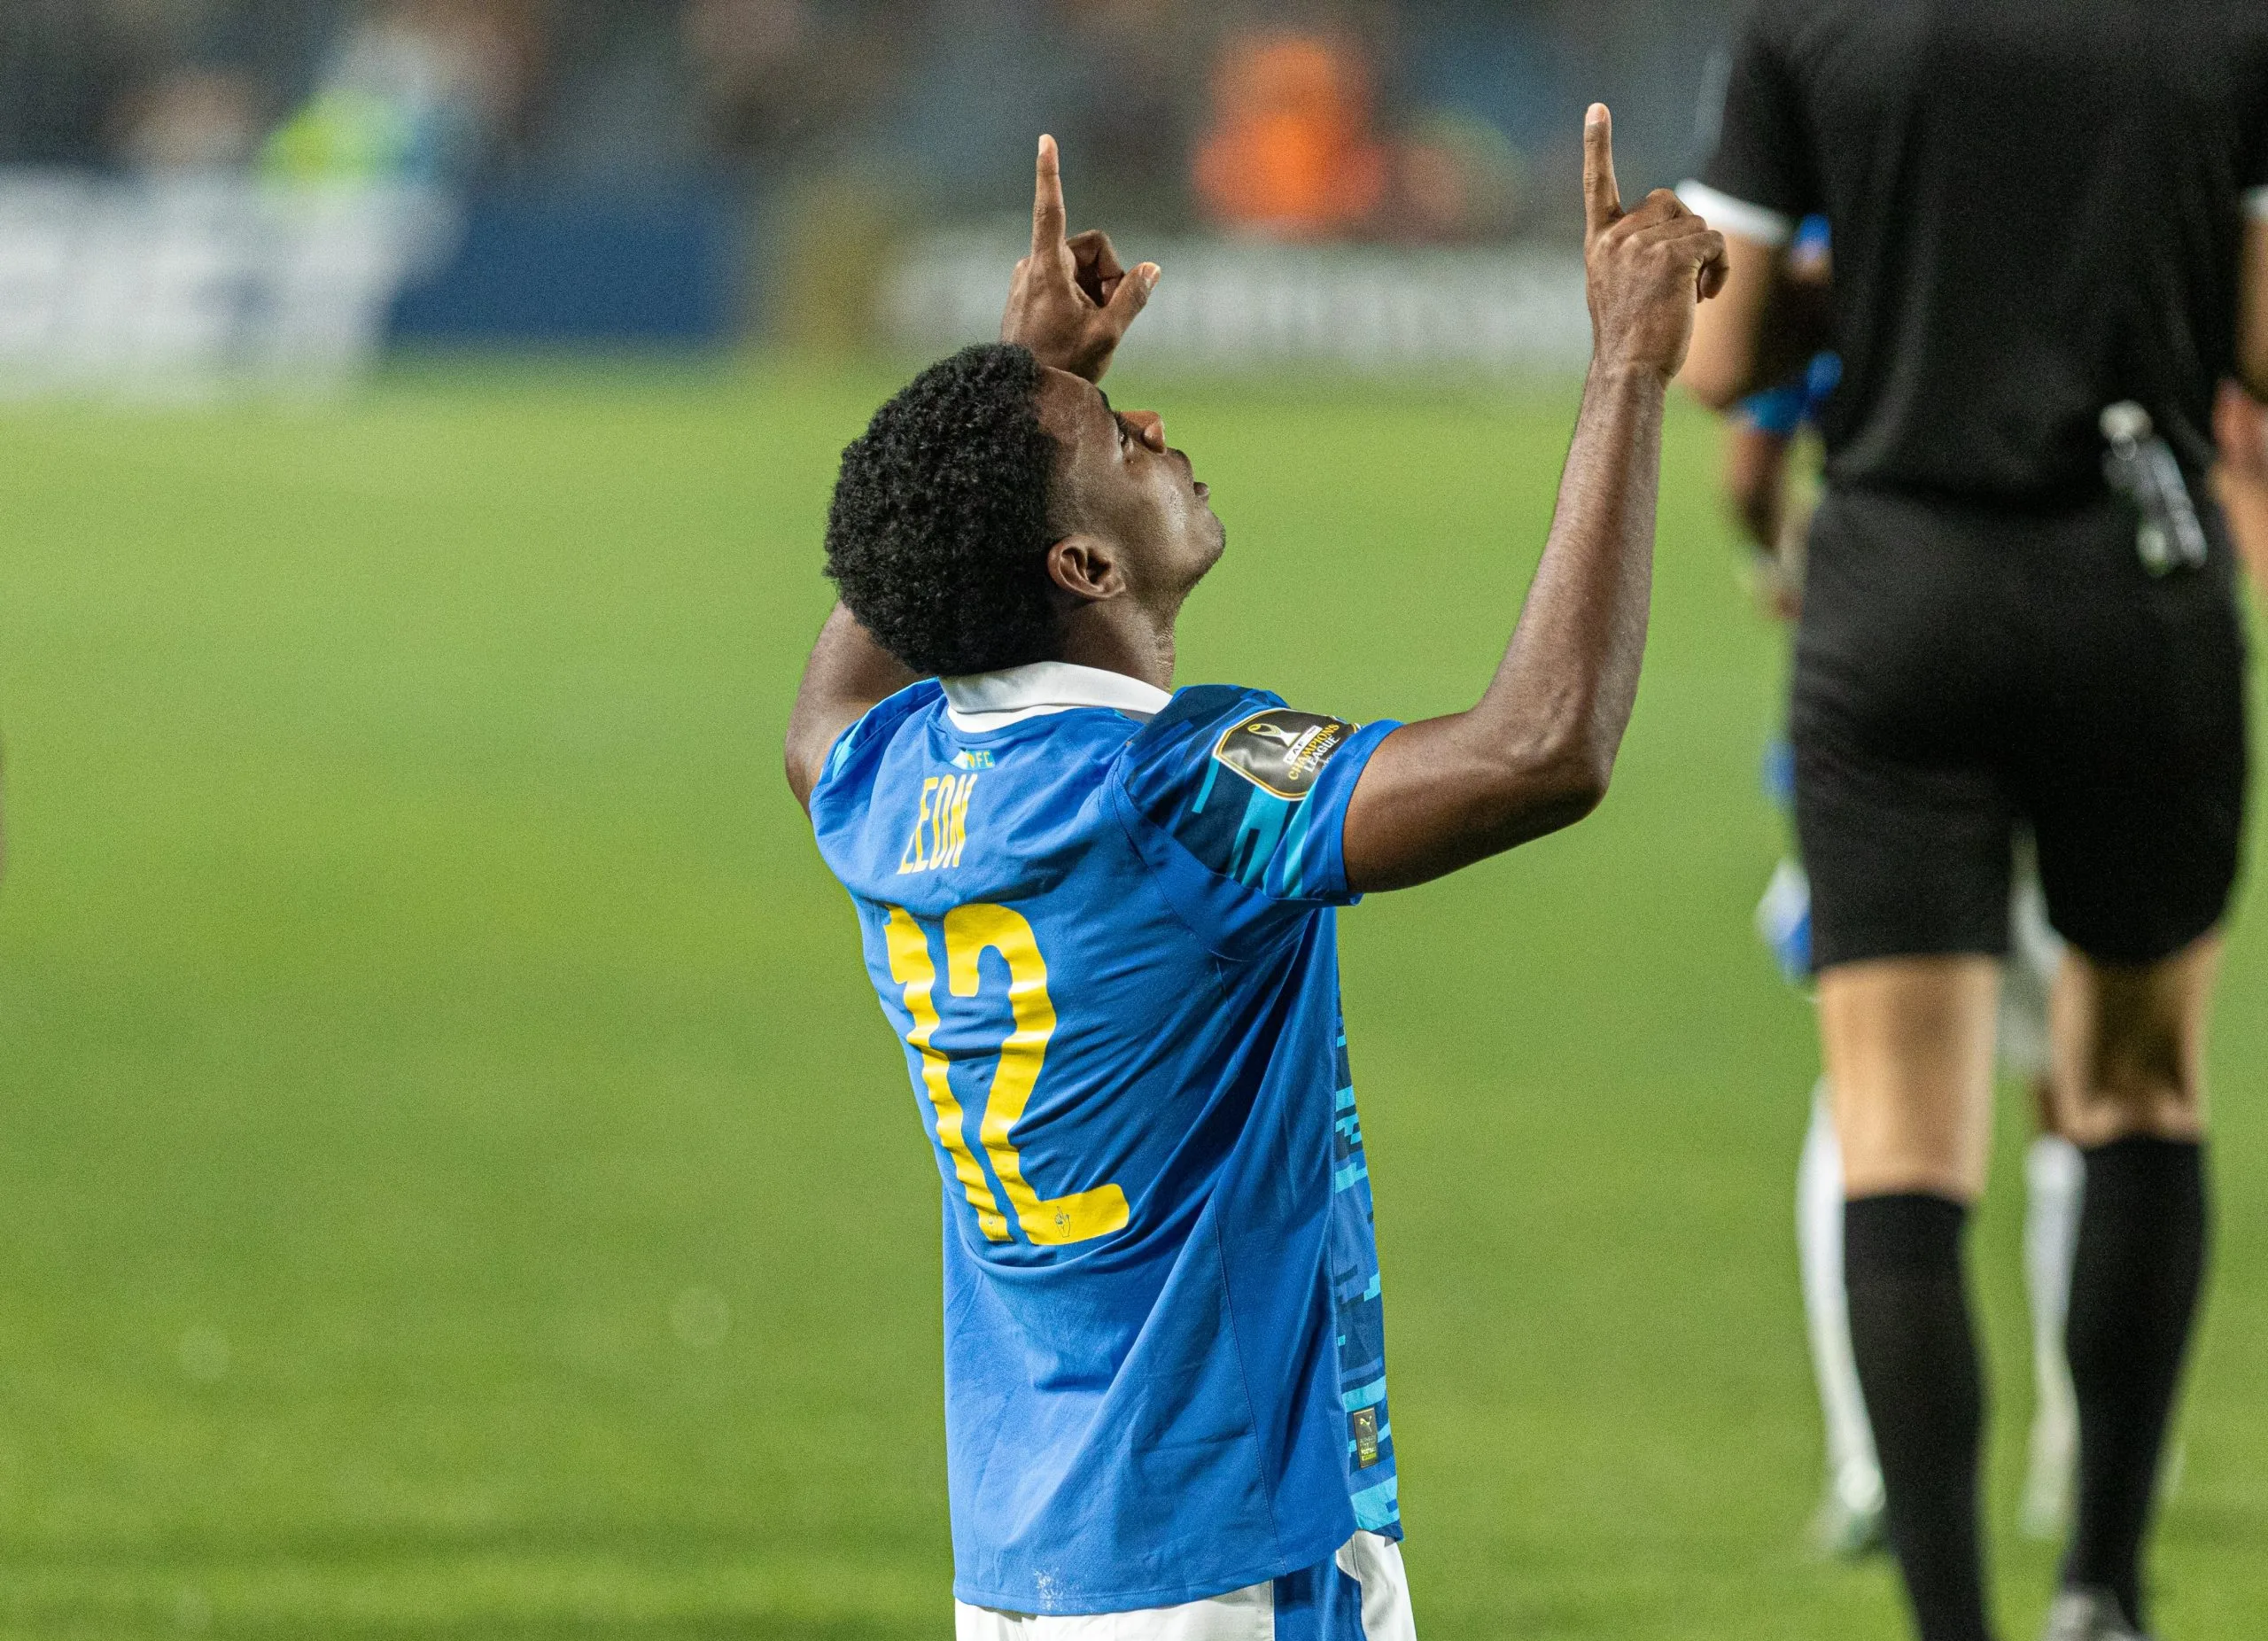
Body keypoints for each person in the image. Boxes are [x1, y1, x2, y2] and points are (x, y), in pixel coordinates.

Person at [784, 114, 1725, 1638]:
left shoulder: (887, 787)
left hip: (1023, 1569)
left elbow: (830, 700)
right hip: (1225, 1559)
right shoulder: (1170, 791)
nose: (1146, 424)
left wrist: (1029, 390)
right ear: (1081, 570)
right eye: (1111, 442)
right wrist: (1627, 369)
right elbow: (1540, 752)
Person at [1679, 6, 2268, 1640]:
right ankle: (2104, 1591)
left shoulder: (1811, 24)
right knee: (2140, 1087)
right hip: (2132, 584)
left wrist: (1855, 280)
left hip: (1899, 588)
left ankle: (1952, 1623)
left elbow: (1715, 355)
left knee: (1898, 1131)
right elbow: (2263, 344)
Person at [1717, 223, 2085, 1557]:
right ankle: (2083, 1454)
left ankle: (1877, 1465)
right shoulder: (2088, 171)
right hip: (2082, 658)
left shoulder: (1835, 221)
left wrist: (1790, 572)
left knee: (1869, 1082)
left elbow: (1748, 464)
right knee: (2085, 1086)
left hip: (1884, 668)